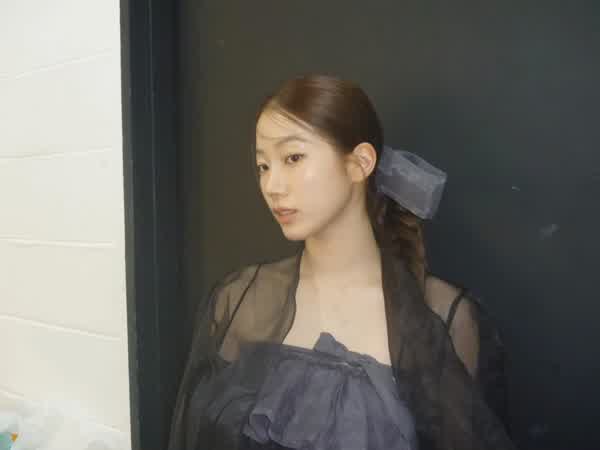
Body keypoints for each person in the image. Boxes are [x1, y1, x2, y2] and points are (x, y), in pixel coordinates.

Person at [168, 74, 516, 450]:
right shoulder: (239, 301)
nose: (272, 185)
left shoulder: (444, 317)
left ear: (359, 163)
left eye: (293, 158)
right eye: (263, 166)